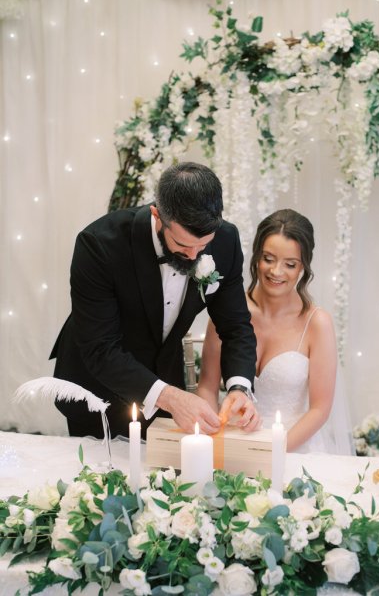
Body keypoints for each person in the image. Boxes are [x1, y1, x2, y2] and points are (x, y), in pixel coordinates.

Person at [50, 162, 260, 439]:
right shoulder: (98, 245)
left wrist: (239, 388)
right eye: (184, 245)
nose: (194, 255)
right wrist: (170, 397)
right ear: (157, 216)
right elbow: (100, 348)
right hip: (96, 389)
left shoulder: (226, 240)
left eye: (203, 246)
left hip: (162, 381)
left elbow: (236, 327)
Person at [198, 208, 353, 454]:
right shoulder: (226, 312)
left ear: (303, 267)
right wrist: (212, 439)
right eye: (268, 259)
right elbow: (207, 386)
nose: (276, 272)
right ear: (256, 256)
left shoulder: (317, 323)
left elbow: (320, 409)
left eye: (290, 264)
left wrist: (272, 453)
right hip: (231, 442)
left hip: (292, 447)